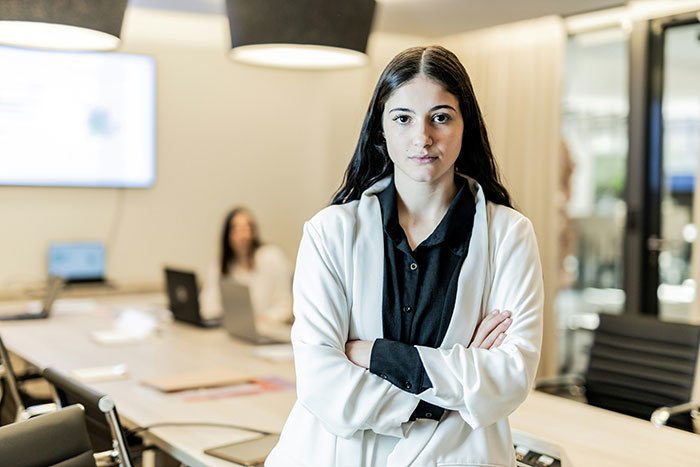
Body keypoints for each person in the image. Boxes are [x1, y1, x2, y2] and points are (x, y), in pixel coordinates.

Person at [266, 46, 543, 466]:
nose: (423, 137)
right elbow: (322, 383)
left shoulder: (509, 235)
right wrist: (450, 395)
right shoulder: (331, 232)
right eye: (403, 118)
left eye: (441, 117)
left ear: (465, 125)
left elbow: (509, 377)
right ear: (381, 130)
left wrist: (374, 355)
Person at [199, 207, 293, 324]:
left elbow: (286, 304)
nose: (243, 235)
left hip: (271, 328)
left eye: (247, 228)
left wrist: (265, 318)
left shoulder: (272, 257)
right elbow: (209, 305)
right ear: (227, 235)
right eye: (236, 229)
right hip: (232, 331)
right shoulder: (219, 267)